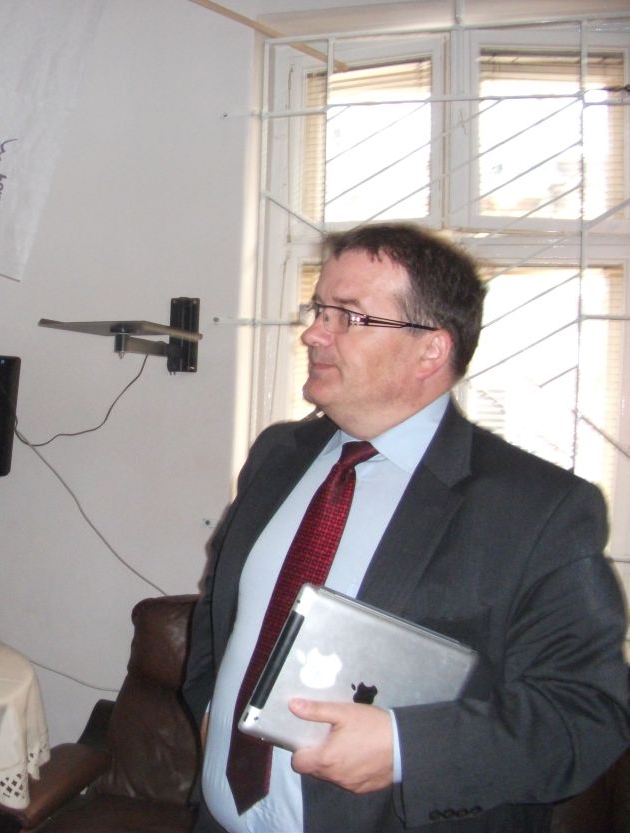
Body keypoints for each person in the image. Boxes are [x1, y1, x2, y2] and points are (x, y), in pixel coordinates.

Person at [183, 222, 629, 833]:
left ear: (431, 351)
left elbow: (586, 713)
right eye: (319, 310)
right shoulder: (278, 454)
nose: (314, 333)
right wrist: (210, 704)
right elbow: (224, 605)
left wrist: (403, 748)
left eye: (348, 316)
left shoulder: (538, 509)